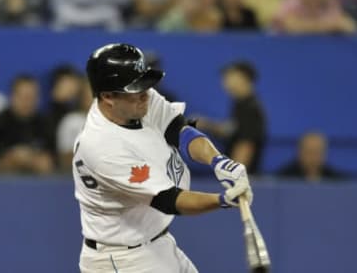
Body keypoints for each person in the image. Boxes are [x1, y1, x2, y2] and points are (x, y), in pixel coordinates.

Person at [74, 43, 252, 273]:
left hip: (156, 242)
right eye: (136, 89)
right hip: (122, 258)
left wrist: (218, 161)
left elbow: (179, 130)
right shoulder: (102, 147)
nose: (145, 94)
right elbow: (170, 200)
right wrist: (222, 200)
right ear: (108, 96)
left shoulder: (135, 101)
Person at [197, 61, 266, 175]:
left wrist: (234, 177)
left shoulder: (250, 108)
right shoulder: (240, 104)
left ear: (245, 79)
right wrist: (207, 125)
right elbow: (231, 129)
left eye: (231, 76)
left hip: (242, 177)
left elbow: (246, 144)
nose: (226, 81)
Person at [0, 75, 54, 175]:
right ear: (12, 96)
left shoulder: (45, 125)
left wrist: (36, 160)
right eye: (23, 97)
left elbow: (53, 162)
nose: (27, 102)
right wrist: (9, 160)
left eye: (32, 97)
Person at [56, 78, 93, 172]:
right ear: (81, 97)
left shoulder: (114, 122)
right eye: (89, 94)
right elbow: (64, 158)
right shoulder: (70, 121)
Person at [277, 132, 342, 181]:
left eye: (317, 153)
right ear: (299, 152)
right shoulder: (285, 178)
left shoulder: (335, 180)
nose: (313, 158)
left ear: (325, 154)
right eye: (309, 152)